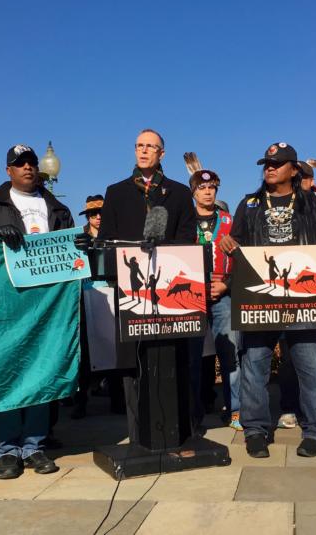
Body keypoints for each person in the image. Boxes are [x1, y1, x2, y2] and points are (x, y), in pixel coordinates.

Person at [219, 142, 316, 459]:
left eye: (277, 163)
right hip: (259, 297)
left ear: (293, 170)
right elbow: (237, 241)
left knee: (310, 366)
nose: (269, 167)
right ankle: (255, 430)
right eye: (266, 163)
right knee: (254, 365)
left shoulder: (312, 204)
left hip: (303, 299)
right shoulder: (249, 204)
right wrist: (229, 243)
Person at [0, 144, 74, 478]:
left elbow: (69, 248)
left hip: (47, 302)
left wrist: (79, 245)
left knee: (42, 371)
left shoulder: (57, 207)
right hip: (8, 302)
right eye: (19, 163)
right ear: (8, 171)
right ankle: (7, 448)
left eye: (31, 163)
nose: (28, 168)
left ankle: (34, 445)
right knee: (9, 373)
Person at [99, 129, 196, 433]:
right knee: (133, 364)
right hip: (132, 293)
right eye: (139, 146)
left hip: (168, 295)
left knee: (174, 360)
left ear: (161, 154)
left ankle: (179, 428)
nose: (143, 151)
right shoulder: (116, 191)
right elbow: (105, 241)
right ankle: (138, 430)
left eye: (150, 147)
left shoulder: (178, 193)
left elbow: (187, 240)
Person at [185, 164, 242, 430]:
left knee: (230, 354)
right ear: (193, 192)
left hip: (223, 294)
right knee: (192, 358)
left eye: (211, 188)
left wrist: (227, 285)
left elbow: (243, 260)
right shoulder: (183, 221)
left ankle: (235, 410)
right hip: (191, 295)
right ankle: (193, 414)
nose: (207, 192)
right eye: (202, 188)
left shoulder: (231, 221)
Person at [71, 195, 104, 420]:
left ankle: (118, 400)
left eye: (101, 213)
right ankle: (80, 402)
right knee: (83, 352)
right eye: (93, 214)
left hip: (110, 295)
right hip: (85, 296)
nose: (98, 217)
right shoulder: (77, 237)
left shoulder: (114, 234)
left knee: (113, 349)